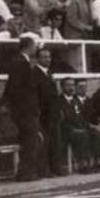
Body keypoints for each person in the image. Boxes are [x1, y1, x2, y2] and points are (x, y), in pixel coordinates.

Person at [3, 36, 41, 182]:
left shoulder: (21, 62)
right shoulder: (21, 63)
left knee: (28, 141)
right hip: (25, 111)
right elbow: (16, 88)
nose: (36, 48)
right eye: (35, 46)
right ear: (28, 46)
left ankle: (25, 172)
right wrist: (26, 108)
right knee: (29, 141)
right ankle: (26, 173)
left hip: (23, 110)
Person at [33, 47, 62, 177]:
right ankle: (45, 170)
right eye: (44, 57)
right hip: (43, 113)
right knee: (45, 142)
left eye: (49, 57)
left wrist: (58, 109)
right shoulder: (34, 74)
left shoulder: (49, 73)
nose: (48, 59)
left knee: (54, 142)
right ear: (38, 59)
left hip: (53, 113)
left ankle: (55, 168)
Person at [57, 77, 94, 173]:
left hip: (79, 129)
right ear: (62, 87)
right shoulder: (58, 101)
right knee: (81, 135)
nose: (71, 88)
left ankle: (96, 162)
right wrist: (73, 129)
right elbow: (61, 121)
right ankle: (82, 164)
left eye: (73, 85)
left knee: (94, 132)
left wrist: (87, 126)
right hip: (66, 130)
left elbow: (81, 117)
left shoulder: (75, 101)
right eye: (68, 85)